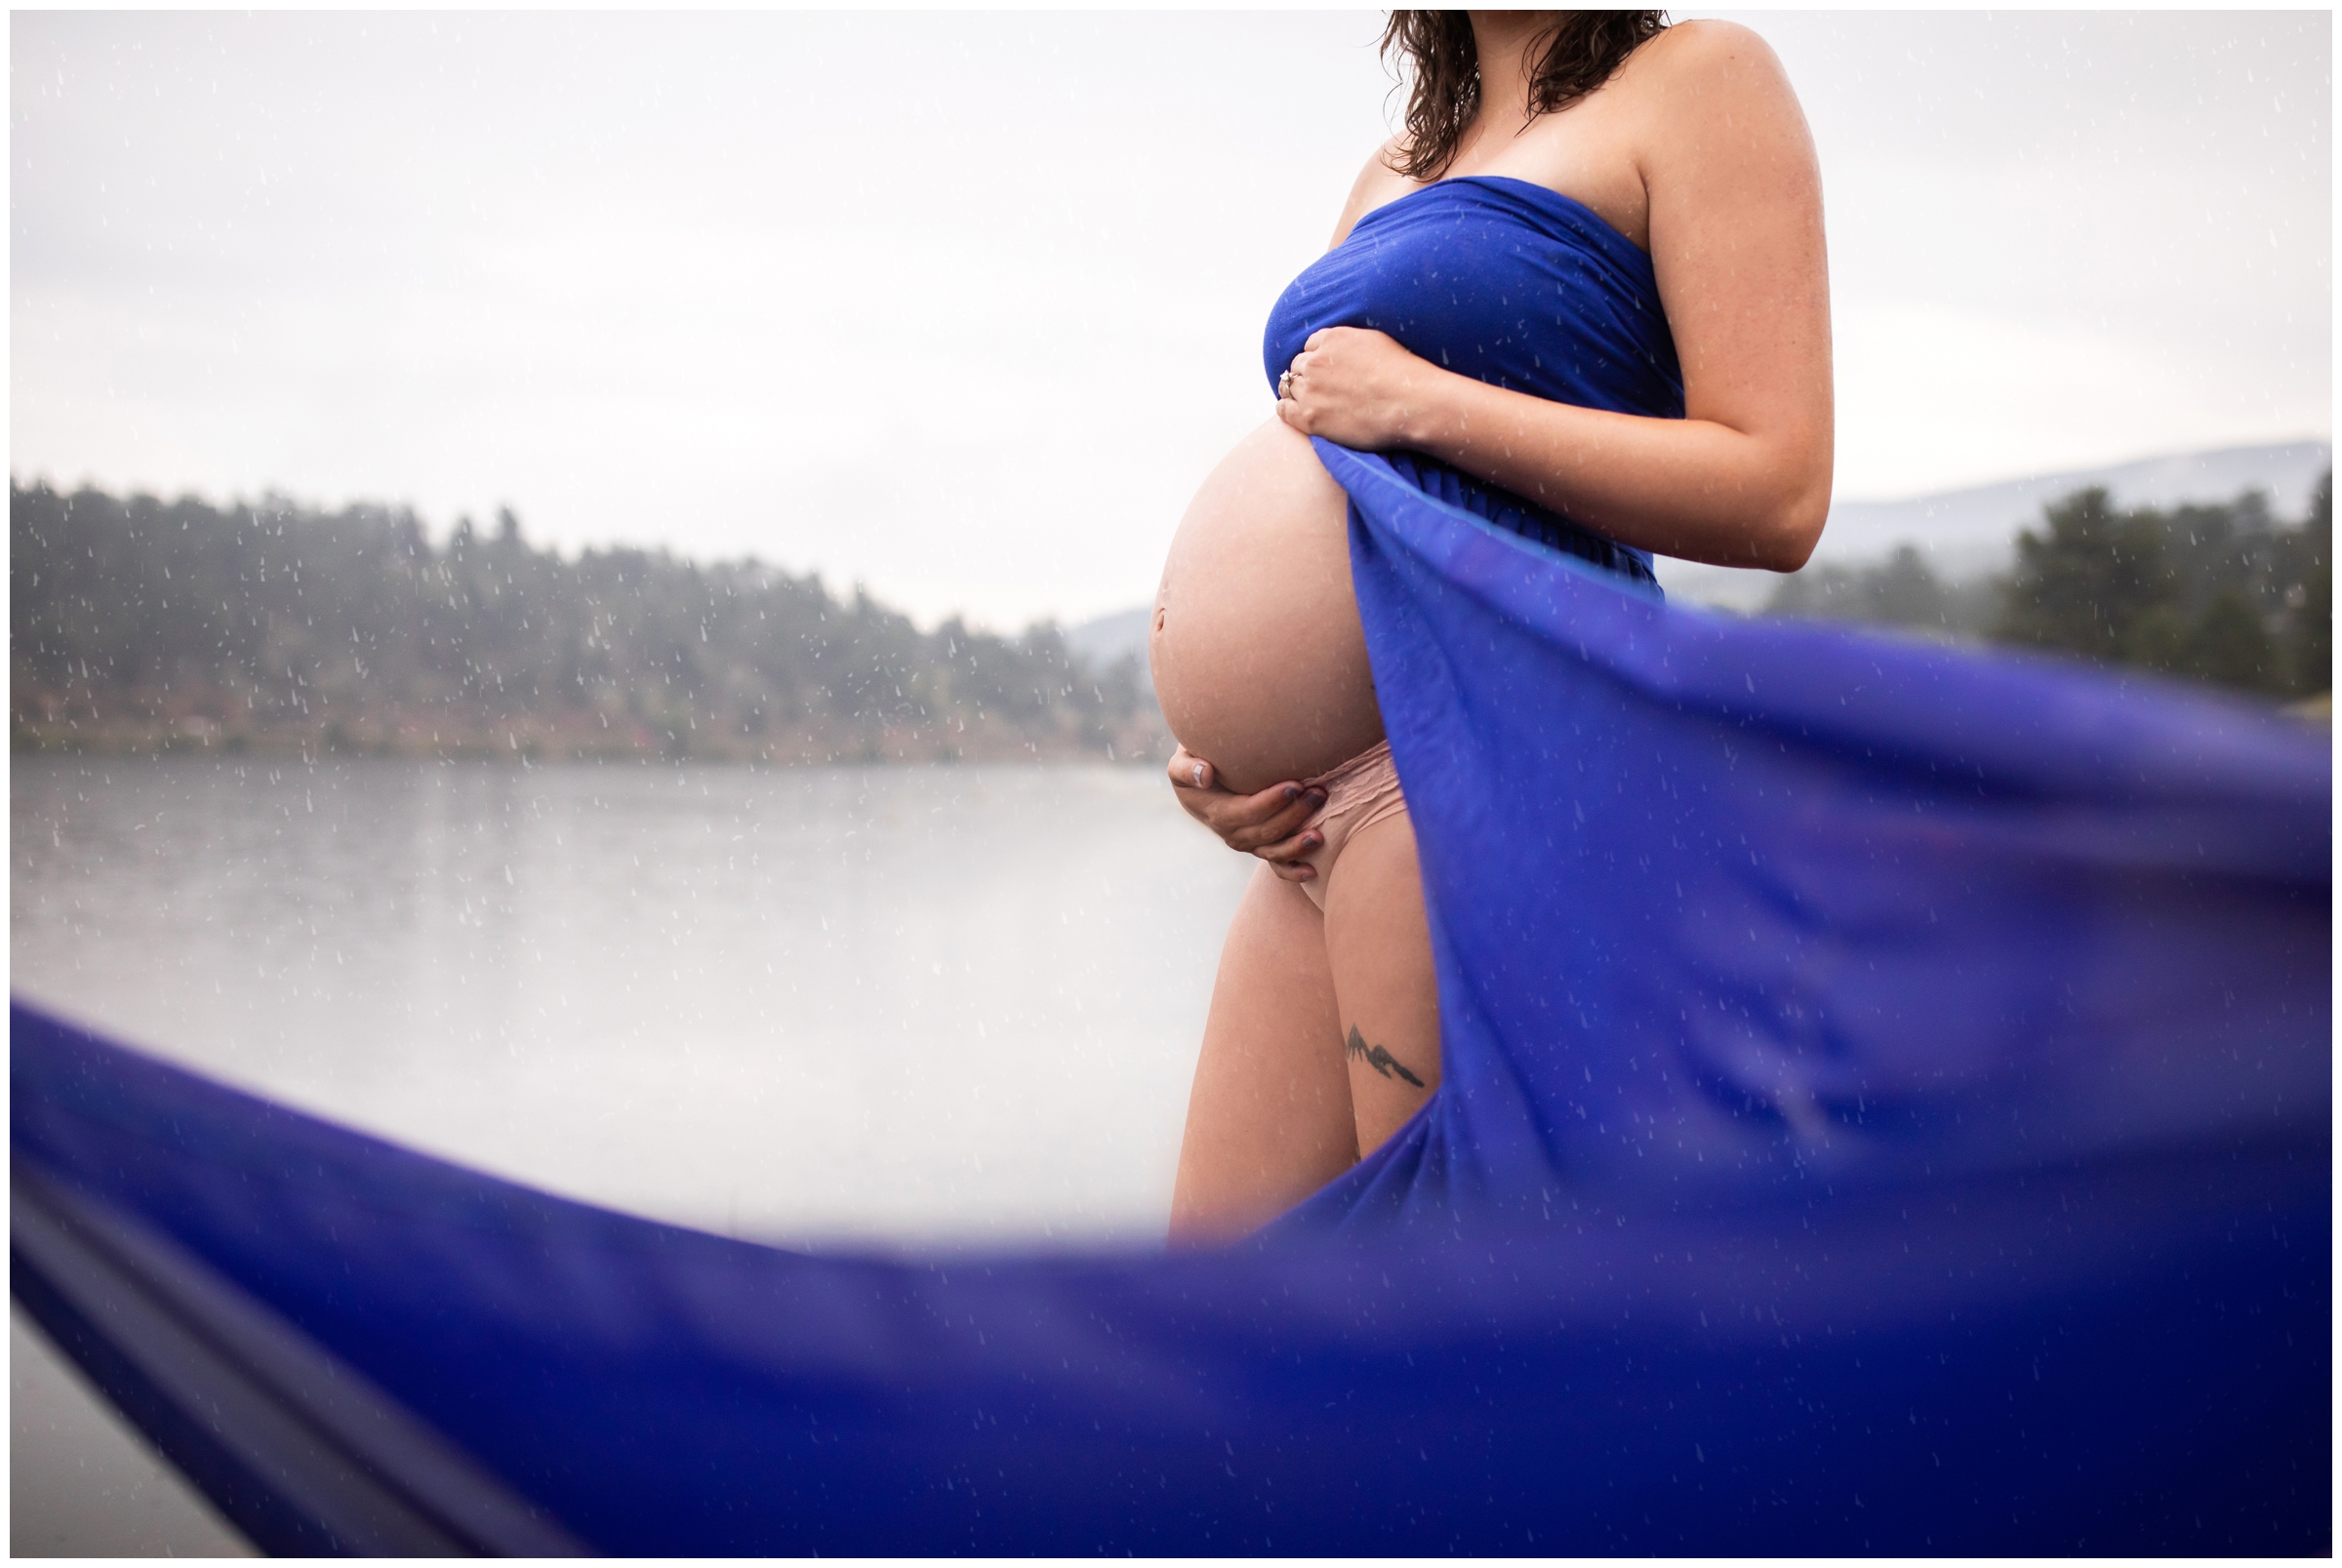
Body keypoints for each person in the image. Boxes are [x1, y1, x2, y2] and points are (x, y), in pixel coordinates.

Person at [1151, 10, 1832, 1243]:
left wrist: (1426, 400)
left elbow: (1778, 488)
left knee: (1445, 1309)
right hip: (1304, 826)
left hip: (1467, 764)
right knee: (1217, 1329)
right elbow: (1335, 453)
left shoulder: (1697, 81)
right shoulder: (1399, 165)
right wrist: (1222, 751)